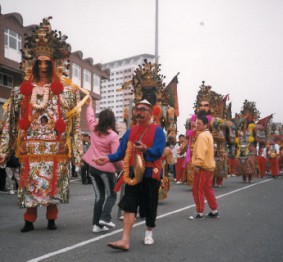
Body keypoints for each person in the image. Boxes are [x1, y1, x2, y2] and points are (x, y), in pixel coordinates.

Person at [0, 17, 83, 232]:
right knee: (30, 184)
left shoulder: (65, 93)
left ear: (54, 63)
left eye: (48, 62)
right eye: (40, 62)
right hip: (31, 148)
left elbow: (72, 124)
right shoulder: (20, 92)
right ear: (33, 64)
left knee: (53, 183)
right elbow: (9, 122)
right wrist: (4, 149)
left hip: (55, 148)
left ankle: (52, 217)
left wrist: (77, 152)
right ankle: (29, 219)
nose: (44, 66)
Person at [95, 99, 165, 251]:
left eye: (143, 109)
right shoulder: (130, 131)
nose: (139, 112)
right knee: (129, 205)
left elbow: (159, 151)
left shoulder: (157, 131)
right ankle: (125, 239)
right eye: (137, 109)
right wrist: (107, 158)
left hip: (150, 174)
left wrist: (146, 150)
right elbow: (120, 153)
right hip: (134, 174)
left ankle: (149, 232)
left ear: (150, 112)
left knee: (150, 205)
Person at [82, 97, 123, 233]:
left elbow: (90, 118)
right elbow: (116, 156)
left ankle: (96, 225)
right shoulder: (113, 136)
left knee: (99, 196)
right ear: (112, 121)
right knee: (111, 195)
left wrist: (89, 105)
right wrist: (123, 168)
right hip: (106, 169)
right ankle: (105, 218)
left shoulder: (94, 129)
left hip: (92, 167)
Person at [189, 110, 219, 219]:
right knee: (207, 189)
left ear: (206, 124)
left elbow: (201, 153)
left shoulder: (202, 136)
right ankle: (214, 210)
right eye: (196, 123)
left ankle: (200, 212)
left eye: (199, 123)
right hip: (208, 166)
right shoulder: (208, 134)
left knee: (197, 189)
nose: (197, 125)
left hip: (202, 167)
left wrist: (197, 165)